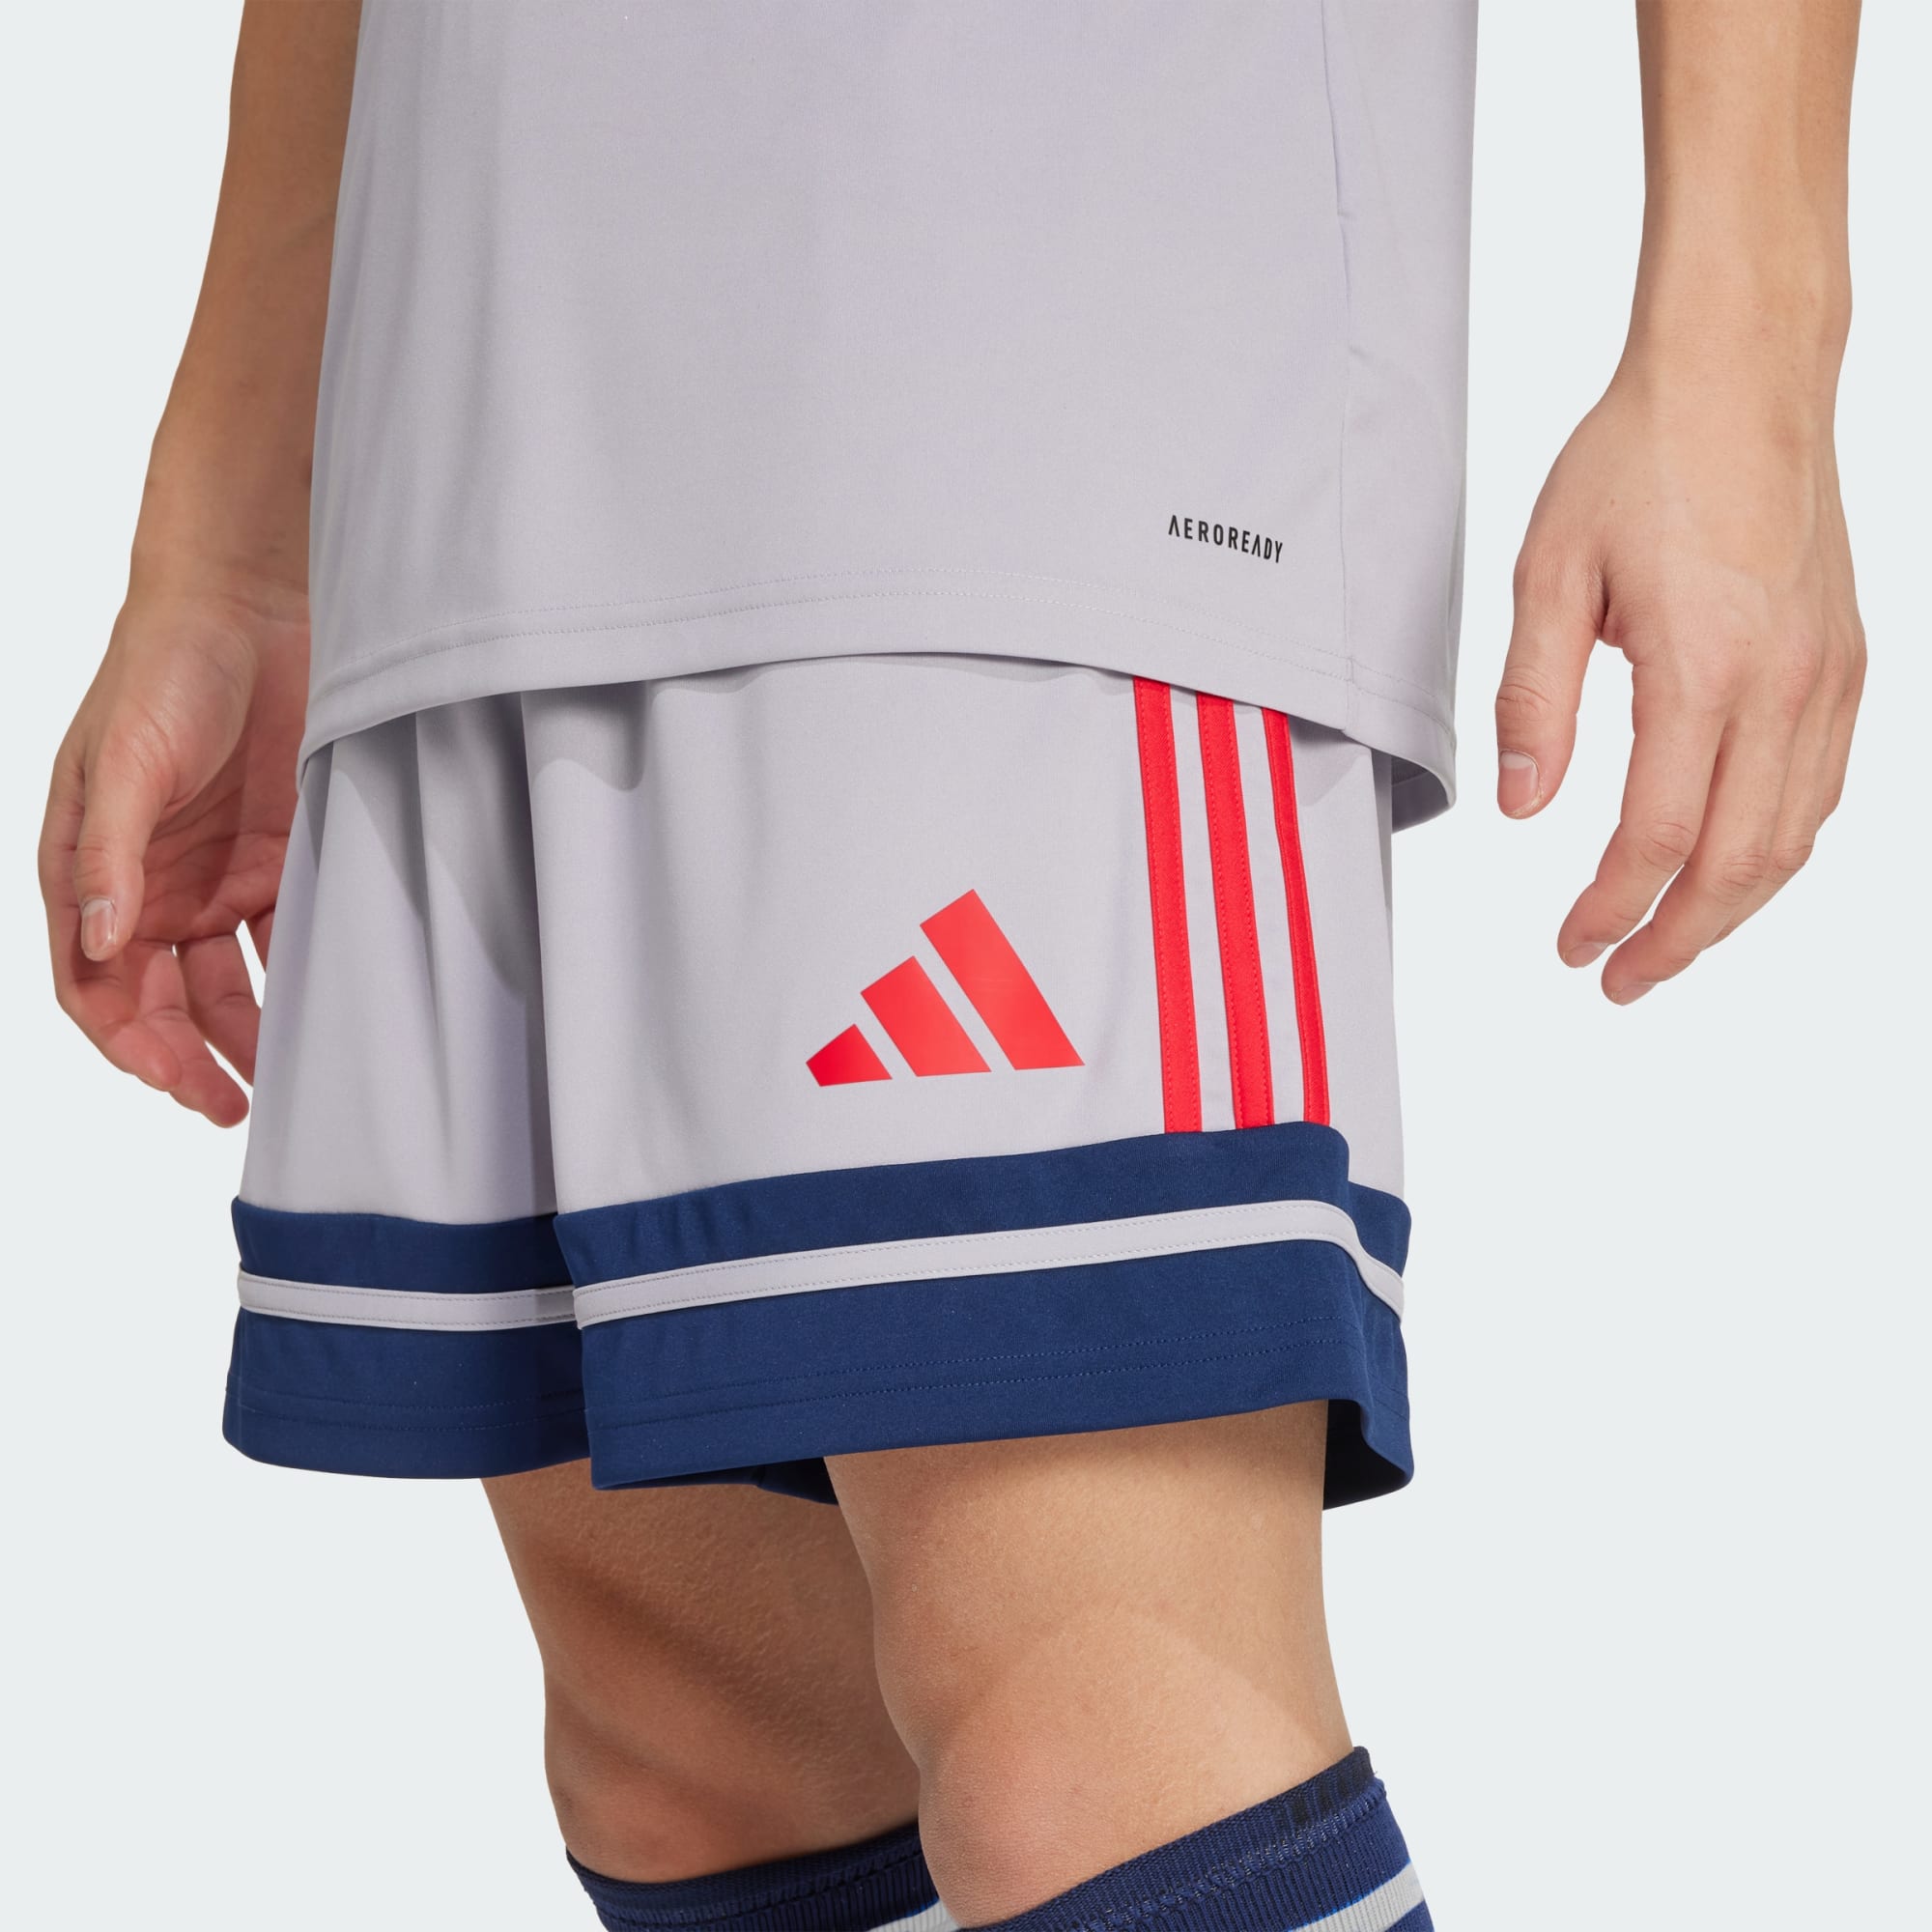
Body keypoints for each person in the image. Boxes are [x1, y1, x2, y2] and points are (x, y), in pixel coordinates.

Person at [39, 5, 1864, 1928]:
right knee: (695, 1746)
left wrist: (1750, 344)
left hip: (1045, 335)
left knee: (1098, 1760)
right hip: (468, 375)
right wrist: (235, 530)